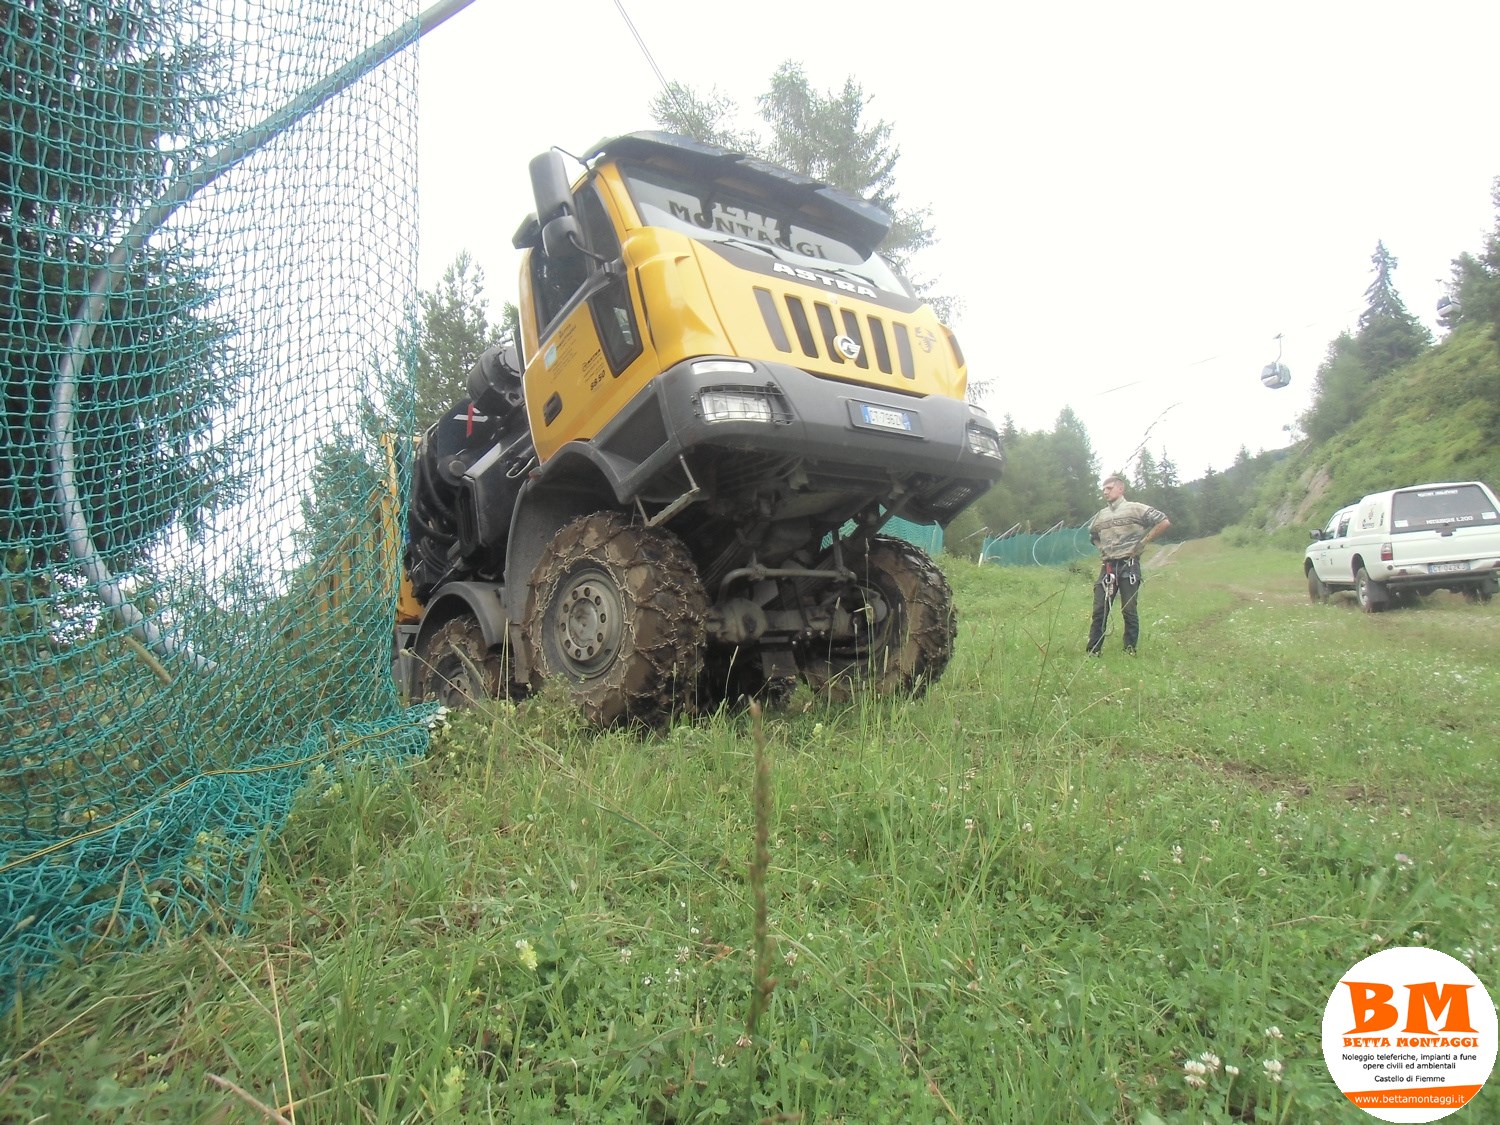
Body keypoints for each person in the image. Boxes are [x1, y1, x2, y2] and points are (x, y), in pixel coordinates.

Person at [1087, 475, 1170, 655]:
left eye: (1109, 488)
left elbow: (1163, 521)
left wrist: (1144, 542)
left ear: (1120, 489)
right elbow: (1093, 535)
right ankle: (1093, 651)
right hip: (1108, 567)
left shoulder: (1136, 508)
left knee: (1129, 610)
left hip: (1129, 565)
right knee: (1100, 609)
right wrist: (1102, 549)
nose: (1105, 492)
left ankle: (1129, 649)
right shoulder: (1101, 516)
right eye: (1103, 489)